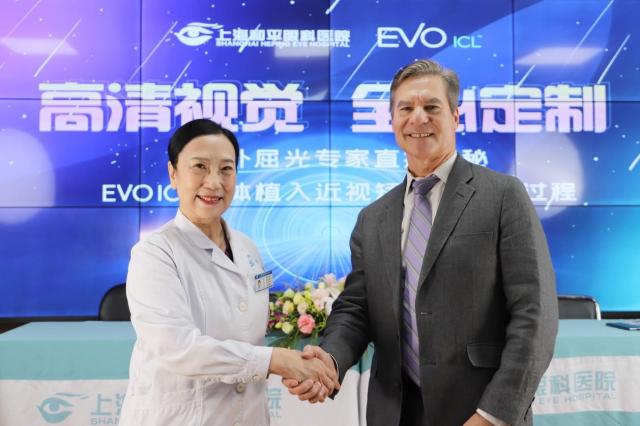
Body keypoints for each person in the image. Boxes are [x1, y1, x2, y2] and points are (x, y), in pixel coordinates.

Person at [284, 59, 559, 426]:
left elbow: (535, 314)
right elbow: (357, 309)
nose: (418, 118)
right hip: (395, 412)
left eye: (431, 107)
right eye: (406, 109)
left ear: (455, 117)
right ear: (392, 120)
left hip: (478, 410)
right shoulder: (373, 218)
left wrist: (493, 415)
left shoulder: (502, 195)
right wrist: (328, 362)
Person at [119, 119, 338, 426]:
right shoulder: (155, 253)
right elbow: (178, 348)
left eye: (226, 169)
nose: (213, 182)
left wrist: (300, 370)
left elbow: (249, 338)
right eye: (199, 167)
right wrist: (276, 361)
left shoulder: (247, 248)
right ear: (173, 174)